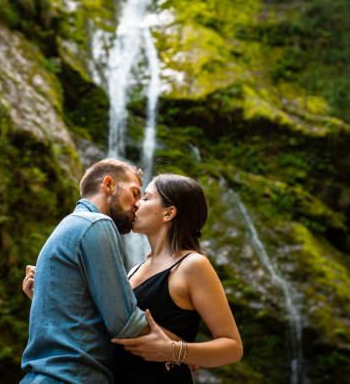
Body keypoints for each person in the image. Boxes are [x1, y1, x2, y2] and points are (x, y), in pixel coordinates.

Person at [23, 170, 243, 383]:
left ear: (169, 212)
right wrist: (50, 293)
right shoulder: (132, 271)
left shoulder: (193, 265)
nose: (136, 204)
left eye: (146, 198)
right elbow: (108, 327)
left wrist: (176, 351)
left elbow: (232, 347)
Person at [20, 159, 183, 384]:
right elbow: (124, 322)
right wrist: (179, 350)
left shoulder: (67, 227)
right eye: (135, 193)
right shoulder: (96, 224)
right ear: (109, 185)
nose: (137, 205)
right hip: (72, 378)